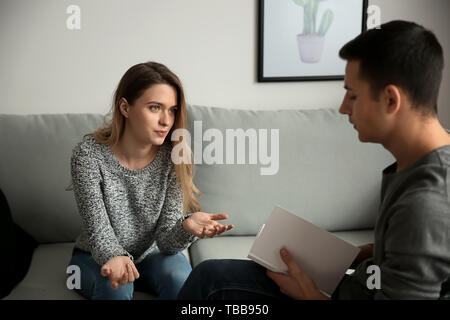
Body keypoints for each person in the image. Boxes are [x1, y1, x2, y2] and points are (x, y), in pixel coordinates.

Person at [177, 20, 450, 300]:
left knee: (210, 284)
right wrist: (345, 256)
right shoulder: (418, 164)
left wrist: (310, 297)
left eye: (352, 95)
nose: (343, 108)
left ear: (391, 100)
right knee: (211, 275)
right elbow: (396, 255)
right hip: (354, 285)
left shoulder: (426, 203)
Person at [67, 61, 233, 300]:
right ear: (125, 107)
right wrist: (115, 256)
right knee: (117, 289)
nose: (167, 121)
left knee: (180, 280)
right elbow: (98, 231)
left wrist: (186, 226)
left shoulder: (175, 155)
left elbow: (167, 242)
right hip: (95, 257)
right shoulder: (88, 155)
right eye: (155, 108)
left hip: (151, 256)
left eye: (172, 110)